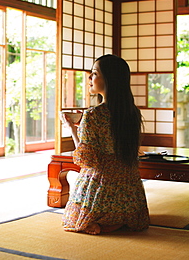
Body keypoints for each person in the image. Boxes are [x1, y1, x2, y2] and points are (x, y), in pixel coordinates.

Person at [61, 54, 150, 235]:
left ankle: (103, 223)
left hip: (101, 190)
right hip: (130, 196)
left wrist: (72, 128)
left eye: (94, 73)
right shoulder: (133, 113)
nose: (89, 78)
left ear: (109, 78)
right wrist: (84, 125)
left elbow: (86, 159)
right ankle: (118, 221)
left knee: (71, 220)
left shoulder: (93, 115)